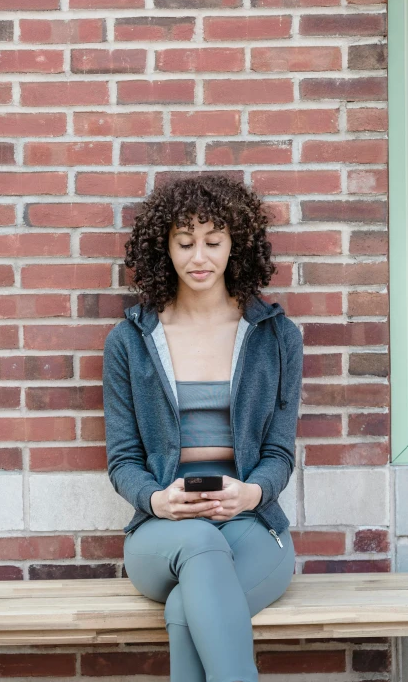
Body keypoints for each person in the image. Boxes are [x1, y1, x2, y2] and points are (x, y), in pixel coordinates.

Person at [102, 174, 304, 682]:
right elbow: (123, 459)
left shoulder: (277, 337)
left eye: (213, 242)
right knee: (197, 543)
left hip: (253, 525)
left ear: (235, 244)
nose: (199, 258)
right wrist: (155, 501)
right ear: (163, 247)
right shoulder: (130, 341)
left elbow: (279, 452)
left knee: (182, 611)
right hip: (162, 530)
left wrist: (252, 493)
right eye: (184, 242)